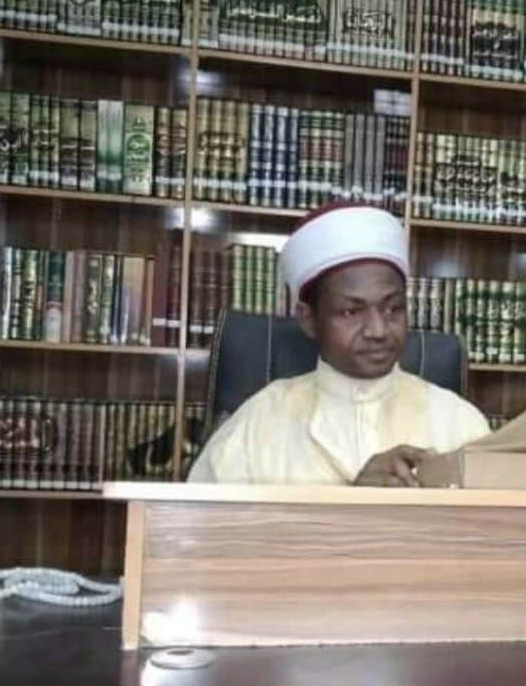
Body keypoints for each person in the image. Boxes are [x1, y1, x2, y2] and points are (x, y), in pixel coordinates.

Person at [187, 202, 492, 487]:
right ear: (308, 319)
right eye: (351, 311)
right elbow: (202, 533)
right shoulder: (258, 426)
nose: (378, 329)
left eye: (393, 308)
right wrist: (353, 500)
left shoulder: (459, 424)